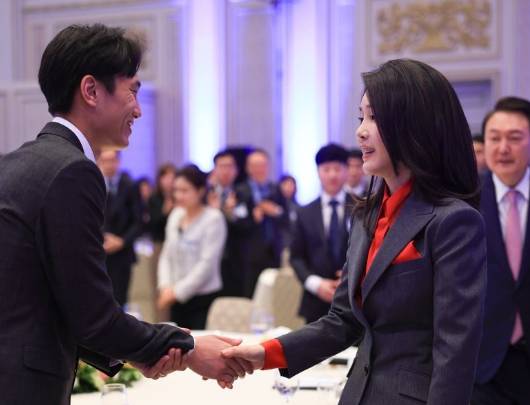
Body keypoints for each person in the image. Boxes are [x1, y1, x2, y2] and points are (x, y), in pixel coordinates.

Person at [0, 24, 248, 404]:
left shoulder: (16, 162)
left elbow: (54, 303)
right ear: (91, 90)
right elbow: (94, 317)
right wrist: (190, 349)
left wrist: (141, 352)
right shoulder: (73, 171)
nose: (138, 108)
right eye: (132, 91)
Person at [222, 59, 487, 405]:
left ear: (414, 125)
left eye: (374, 117)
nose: (361, 131)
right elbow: (343, 320)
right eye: (360, 117)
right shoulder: (366, 216)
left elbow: (455, 353)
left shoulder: (453, 221)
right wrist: (265, 353)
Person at [472, 96, 530, 405]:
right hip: (483, 364)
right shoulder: (464, 203)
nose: (503, 148)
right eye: (494, 138)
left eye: (515, 138)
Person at [157, 165, 227, 329]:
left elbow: (207, 264)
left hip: (202, 299)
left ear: (200, 191)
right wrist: (165, 286)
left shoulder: (213, 219)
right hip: (174, 297)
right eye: (176, 190)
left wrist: (176, 292)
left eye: (185, 190)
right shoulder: (176, 215)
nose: (178, 196)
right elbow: (166, 255)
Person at [290, 143, 353, 323]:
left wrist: (352, 277)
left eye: (337, 169)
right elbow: (296, 257)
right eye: (326, 169)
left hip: (353, 299)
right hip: (315, 301)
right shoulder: (305, 212)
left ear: (346, 171)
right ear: (318, 172)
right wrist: (316, 284)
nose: (332, 175)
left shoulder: (362, 208)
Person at [233, 149, 286, 297]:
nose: (259, 169)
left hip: (273, 250)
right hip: (249, 253)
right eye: (255, 165)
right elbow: (237, 221)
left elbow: (287, 216)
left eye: (262, 165)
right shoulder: (240, 190)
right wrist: (253, 217)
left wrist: (275, 211)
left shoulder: (275, 188)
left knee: (274, 293)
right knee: (251, 293)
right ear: (248, 168)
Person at [97, 150, 143, 306]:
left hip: (122, 252)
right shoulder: (95, 183)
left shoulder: (130, 185)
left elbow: (139, 221)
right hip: (100, 250)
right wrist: (103, 237)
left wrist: (121, 241)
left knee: (120, 298)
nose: (108, 165)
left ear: (118, 161)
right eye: (105, 161)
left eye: (112, 160)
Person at [206, 150, 244, 296]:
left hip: (234, 258)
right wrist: (214, 212)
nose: (226, 171)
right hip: (210, 257)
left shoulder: (242, 193)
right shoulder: (205, 193)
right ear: (214, 169)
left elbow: (246, 225)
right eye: (222, 166)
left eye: (230, 166)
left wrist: (230, 214)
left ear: (236, 170)